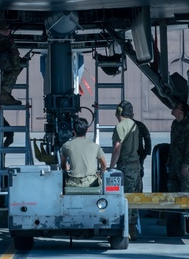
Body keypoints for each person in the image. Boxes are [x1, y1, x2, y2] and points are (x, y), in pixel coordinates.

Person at [109, 100, 142, 240]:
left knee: (125, 199)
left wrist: (110, 167)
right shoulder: (135, 125)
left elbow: (117, 148)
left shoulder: (120, 126)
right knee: (134, 199)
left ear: (119, 111)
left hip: (126, 166)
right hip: (136, 165)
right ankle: (133, 231)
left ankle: (125, 232)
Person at [60, 117, 106, 187]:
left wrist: (67, 168)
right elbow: (104, 165)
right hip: (90, 183)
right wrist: (101, 174)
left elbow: (63, 166)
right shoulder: (95, 146)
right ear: (87, 130)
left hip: (73, 183)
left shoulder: (66, 145)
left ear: (74, 131)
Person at [167, 101, 189, 192]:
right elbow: (173, 143)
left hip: (184, 163)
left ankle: (186, 207)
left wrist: (186, 165)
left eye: (176, 107)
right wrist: (169, 158)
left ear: (181, 112)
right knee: (172, 187)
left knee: (185, 189)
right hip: (174, 162)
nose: (173, 108)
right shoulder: (175, 124)